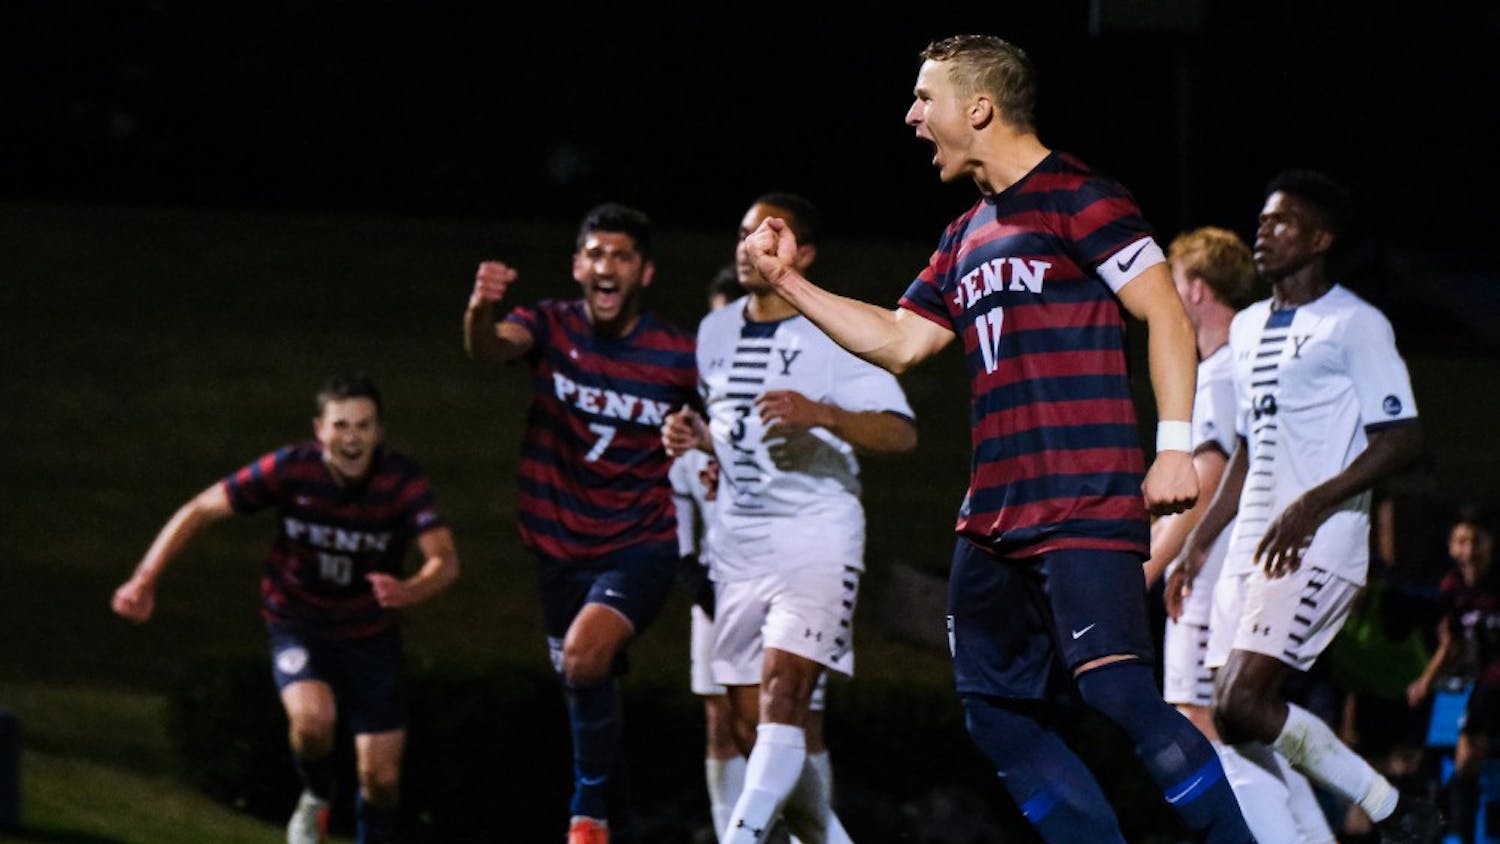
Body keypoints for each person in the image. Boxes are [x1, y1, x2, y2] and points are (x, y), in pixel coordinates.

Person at [739, 35, 1253, 844]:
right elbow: (902, 342)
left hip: (1081, 496)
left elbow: (1163, 310)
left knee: (1118, 694)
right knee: (993, 716)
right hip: (991, 519)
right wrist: (788, 283)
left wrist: (1175, 444)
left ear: (977, 108)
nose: (912, 117)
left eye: (924, 99)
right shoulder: (962, 235)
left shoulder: (1081, 196)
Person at [1173, 169, 1438, 842]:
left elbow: (1402, 437)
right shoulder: (1252, 325)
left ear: (1320, 239)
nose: (1264, 232)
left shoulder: (1355, 324)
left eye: (1282, 222)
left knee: (1242, 701)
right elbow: (1246, 448)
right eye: (1261, 220)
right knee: (1235, 722)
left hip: (1316, 541)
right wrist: (1199, 541)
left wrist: (1312, 505)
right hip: (1251, 547)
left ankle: (1393, 807)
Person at [663, 191, 918, 844]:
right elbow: (738, 428)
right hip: (739, 542)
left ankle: (738, 839)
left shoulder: (833, 330)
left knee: (783, 701)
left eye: (769, 234)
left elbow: (901, 434)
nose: (751, 245)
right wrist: (702, 440)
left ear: (801, 254)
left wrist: (826, 413)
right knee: (751, 727)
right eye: (745, 233)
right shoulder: (713, 330)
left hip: (816, 532)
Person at [110, 372, 460, 844]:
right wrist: (145, 578)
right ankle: (316, 798)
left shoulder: (400, 479)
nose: (352, 438)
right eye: (341, 425)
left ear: (379, 431)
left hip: (369, 633)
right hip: (299, 621)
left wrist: (410, 590)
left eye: (363, 426)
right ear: (319, 429)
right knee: (313, 723)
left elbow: (444, 559)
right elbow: (201, 509)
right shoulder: (291, 468)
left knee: (381, 779)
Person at [463, 202, 699, 844]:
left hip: (640, 541)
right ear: (576, 265)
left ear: (644, 273)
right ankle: (613, 811)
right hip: (556, 541)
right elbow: (488, 347)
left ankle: (587, 814)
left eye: (621, 256)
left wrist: (696, 437)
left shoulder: (679, 355)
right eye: (596, 254)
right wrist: (480, 308)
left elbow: (724, 434)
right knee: (582, 679)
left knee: (585, 657)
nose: (606, 267)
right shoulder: (549, 324)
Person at [1154, 227, 1337, 842]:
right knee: (1244, 725)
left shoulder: (1225, 368)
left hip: (1215, 575)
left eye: (1172, 283)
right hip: (1247, 571)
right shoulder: (1249, 358)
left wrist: (1153, 561)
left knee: (1200, 720)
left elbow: (1206, 478)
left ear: (1197, 291)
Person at [1406, 507, 1497, 843]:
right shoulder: (1452, 588)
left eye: (1476, 541)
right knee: (1463, 762)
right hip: (1485, 685)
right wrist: (1425, 681)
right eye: (1462, 541)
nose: (1469, 550)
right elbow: (1450, 642)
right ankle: (1462, 834)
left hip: (1492, 685)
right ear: (1451, 547)